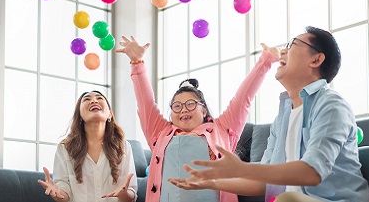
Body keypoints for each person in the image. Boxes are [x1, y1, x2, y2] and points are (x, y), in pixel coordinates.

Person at [169, 26, 369, 202]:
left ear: (316, 59)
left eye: (293, 44)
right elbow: (265, 182)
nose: (283, 51)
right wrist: (211, 183)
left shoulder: (331, 105)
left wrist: (242, 169)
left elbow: (312, 172)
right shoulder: (283, 116)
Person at [115, 36, 279, 202]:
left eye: (190, 104)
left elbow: (244, 97)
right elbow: (145, 103)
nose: (183, 109)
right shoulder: (160, 132)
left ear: (204, 109)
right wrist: (137, 63)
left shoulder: (221, 129)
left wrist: (265, 61)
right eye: (177, 106)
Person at [38, 90, 137, 202]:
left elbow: (131, 193)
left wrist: (124, 194)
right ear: (79, 115)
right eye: (87, 99)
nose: (94, 100)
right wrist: (56, 193)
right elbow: (64, 196)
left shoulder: (123, 146)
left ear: (109, 114)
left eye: (99, 98)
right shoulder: (64, 147)